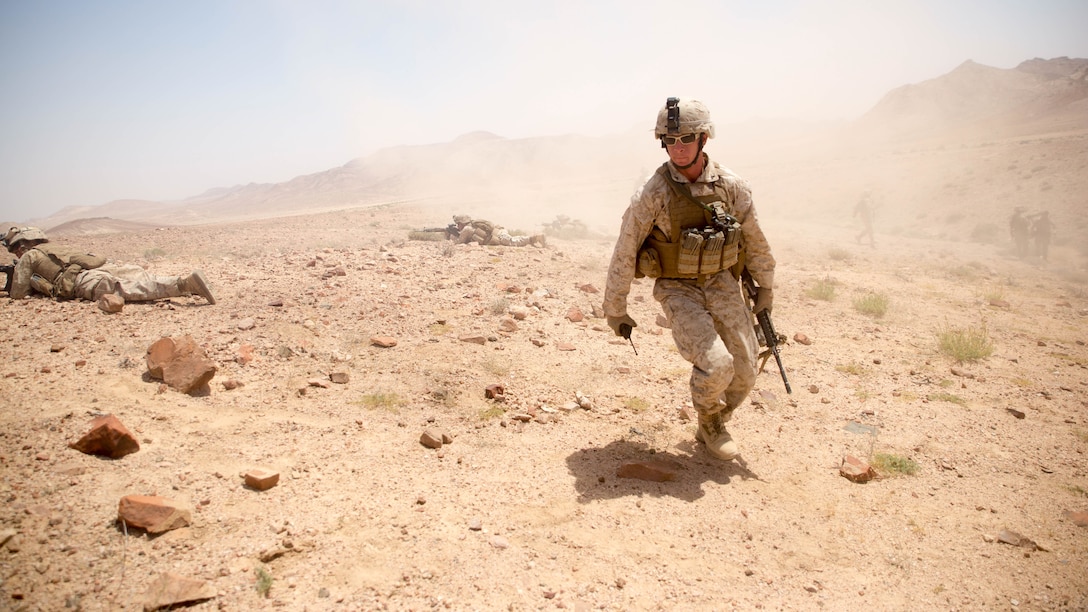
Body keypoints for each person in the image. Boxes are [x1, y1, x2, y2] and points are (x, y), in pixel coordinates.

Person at [602, 97, 776, 462]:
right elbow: (625, 248)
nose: (677, 149)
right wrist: (615, 307)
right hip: (678, 288)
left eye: (685, 140)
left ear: (704, 139)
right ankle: (710, 421)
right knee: (717, 364)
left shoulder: (732, 186)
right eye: (669, 141)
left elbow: (754, 237)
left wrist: (766, 287)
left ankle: (714, 418)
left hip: (722, 282)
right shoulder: (653, 193)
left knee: (744, 372)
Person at [3, 226, 215, 305]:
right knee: (138, 275)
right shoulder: (54, 247)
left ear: (22, 245)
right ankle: (184, 284)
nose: (17, 254)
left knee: (124, 289)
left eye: (15, 249)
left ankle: (185, 285)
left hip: (81, 278)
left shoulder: (29, 256)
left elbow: (19, 293)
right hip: (102, 266)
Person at [451, 214, 544, 247]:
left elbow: (459, 242)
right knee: (513, 239)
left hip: (499, 236)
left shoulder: (466, 229)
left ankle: (534, 238)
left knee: (513, 242)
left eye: (458, 224)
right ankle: (534, 239)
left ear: (462, 223)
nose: (457, 226)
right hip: (499, 232)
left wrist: (452, 236)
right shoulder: (473, 224)